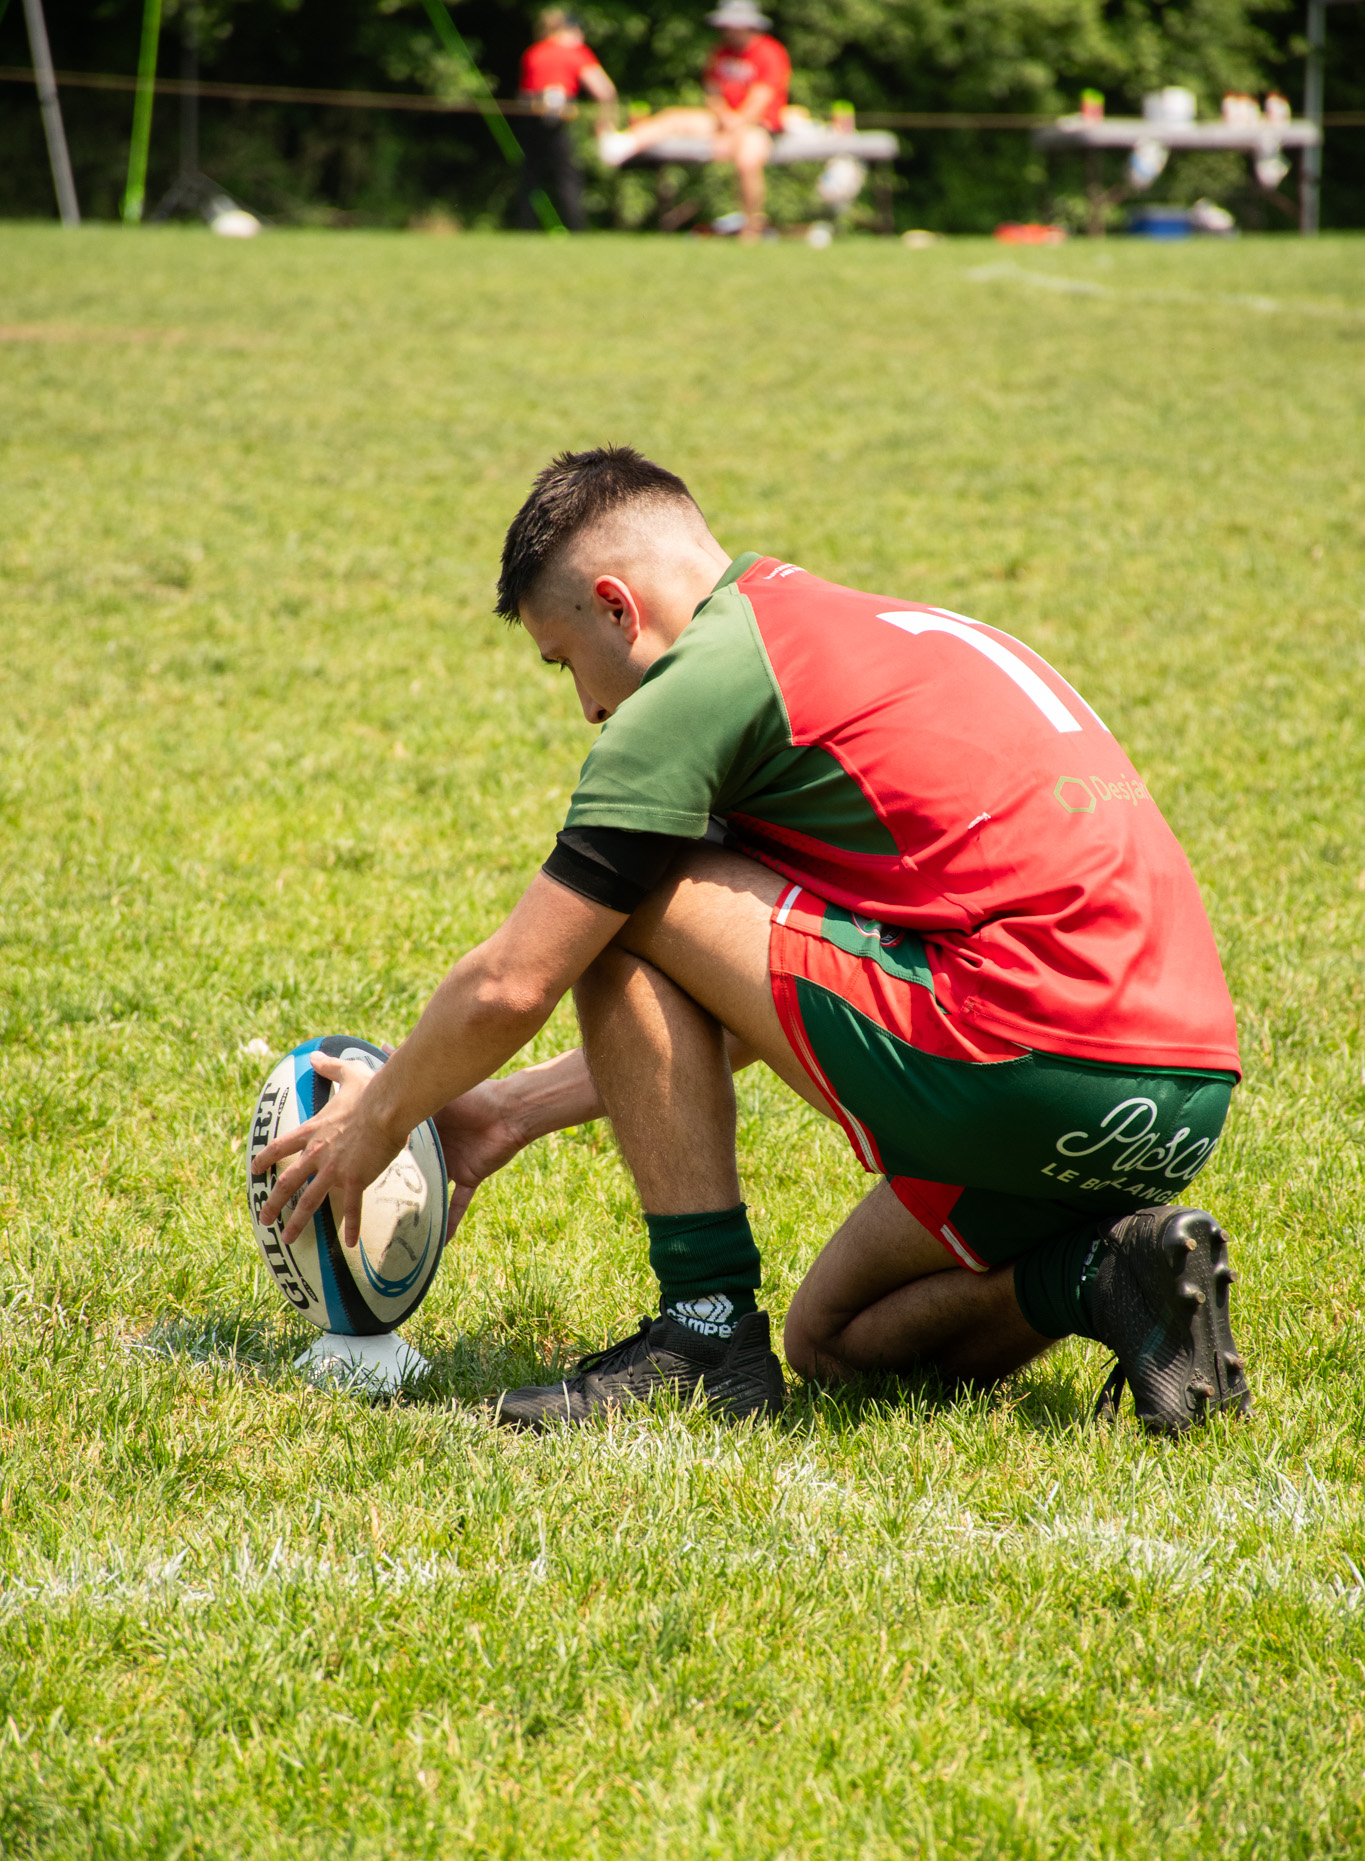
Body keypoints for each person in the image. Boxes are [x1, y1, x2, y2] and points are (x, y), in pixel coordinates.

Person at [254, 446, 1253, 1440]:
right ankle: (1109, 1273)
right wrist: (504, 1114)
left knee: (623, 896)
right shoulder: (857, 631)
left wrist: (377, 1117)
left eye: (564, 663)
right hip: (1179, 1095)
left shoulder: (706, 677)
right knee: (834, 1342)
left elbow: (513, 983)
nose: (588, 707)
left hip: (1022, 1059)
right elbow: (751, 990)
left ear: (616, 607)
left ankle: (704, 1330)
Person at [597, 1, 790, 240]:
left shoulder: (770, 52)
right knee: (674, 118)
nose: (727, 31)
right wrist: (724, 118)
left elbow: (761, 99)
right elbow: (712, 92)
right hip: (722, 120)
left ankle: (751, 225)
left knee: (747, 160)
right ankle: (623, 144)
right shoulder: (720, 51)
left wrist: (734, 128)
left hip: (758, 125)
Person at [514, 8, 617, 233]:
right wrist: (605, 121)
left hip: (529, 112)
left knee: (530, 172)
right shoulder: (575, 52)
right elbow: (605, 90)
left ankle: (524, 227)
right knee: (567, 173)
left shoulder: (533, 51)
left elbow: (524, 90)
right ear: (571, 29)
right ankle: (576, 228)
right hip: (559, 112)